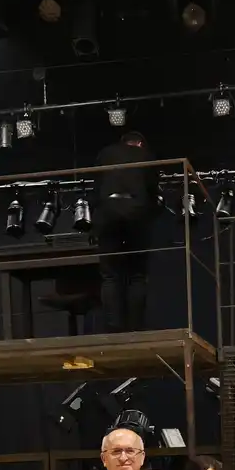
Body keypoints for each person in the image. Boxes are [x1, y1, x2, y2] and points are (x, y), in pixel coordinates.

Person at [93, 130, 160, 333]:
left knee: (110, 276)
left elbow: (96, 187)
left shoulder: (105, 153)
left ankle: (113, 328)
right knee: (137, 275)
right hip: (136, 214)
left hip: (108, 215)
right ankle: (136, 328)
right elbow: (153, 190)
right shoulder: (147, 156)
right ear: (140, 144)